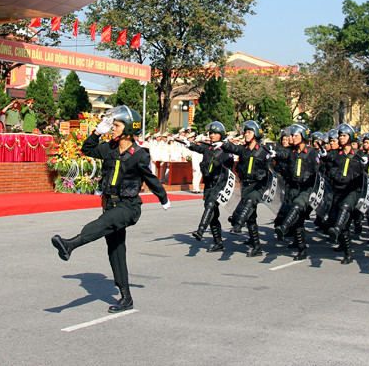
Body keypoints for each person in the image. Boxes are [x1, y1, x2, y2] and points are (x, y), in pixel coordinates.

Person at [50, 106, 169, 314]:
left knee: (102, 224)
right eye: (112, 125)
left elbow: (150, 178)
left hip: (129, 206)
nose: (112, 129)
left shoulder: (139, 155)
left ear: (129, 129)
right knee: (115, 251)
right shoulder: (109, 149)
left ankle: (71, 244)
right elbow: (86, 150)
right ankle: (126, 298)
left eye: (116, 125)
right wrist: (96, 133)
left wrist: (163, 198)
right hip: (111, 204)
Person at [221, 120, 275, 257]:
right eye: (246, 132)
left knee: (250, 202)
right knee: (251, 217)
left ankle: (238, 225)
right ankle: (256, 246)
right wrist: (223, 142)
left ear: (256, 134)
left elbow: (271, 171)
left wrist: (269, 187)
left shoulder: (264, 152)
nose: (246, 134)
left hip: (258, 185)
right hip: (245, 185)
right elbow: (231, 148)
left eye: (249, 132)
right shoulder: (243, 149)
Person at [185, 121, 235, 252]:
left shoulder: (226, 150)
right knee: (213, 214)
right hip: (208, 183)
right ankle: (218, 242)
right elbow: (199, 148)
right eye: (211, 133)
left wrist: (224, 147)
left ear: (221, 135)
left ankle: (200, 230)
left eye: (215, 133)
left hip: (220, 183)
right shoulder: (208, 147)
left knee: (211, 205)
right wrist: (189, 145)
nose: (212, 136)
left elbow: (230, 162)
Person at [273, 123, 319, 261]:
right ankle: (302, 249)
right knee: (298, 223)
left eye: (295, 135)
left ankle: (284, 227)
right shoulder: (290, 152)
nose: (291, 137)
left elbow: (319, 173)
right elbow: (283, 153)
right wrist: (274, 153)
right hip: (292, 188)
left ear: (303, 136)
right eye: (291, 135)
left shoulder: (312, 153)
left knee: (297, 206)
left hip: (306, 188)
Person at [321, 123, 364, 264]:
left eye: (344, 135)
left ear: (351, 137)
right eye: (340, 136)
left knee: (344, 209)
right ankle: (348, 252)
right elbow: (327, 157)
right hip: (337, 190)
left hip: (352, 191)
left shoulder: (359, 155)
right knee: (338, 222)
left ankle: (338, 231)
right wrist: (323, 155)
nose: (341, 138)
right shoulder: (336, 154)